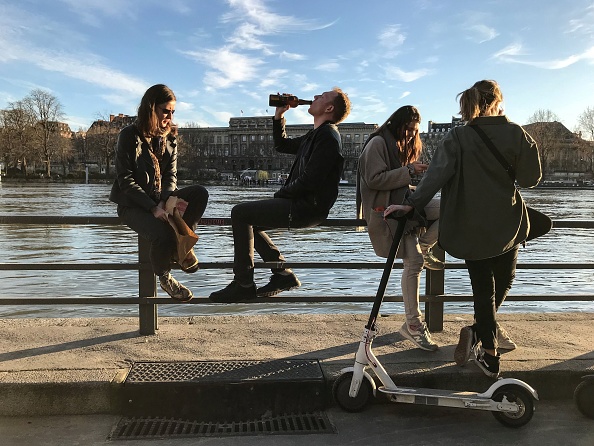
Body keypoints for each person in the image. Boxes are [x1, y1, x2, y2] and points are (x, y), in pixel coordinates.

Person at [384, 80, 541, 377]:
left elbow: (436, 178)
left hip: (470, 225)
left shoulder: (457, 137)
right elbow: (531, 178)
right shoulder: (515, 133)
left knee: (483, 290)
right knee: (505, 281)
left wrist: (412, 204)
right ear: (498, 101)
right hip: (507, 222)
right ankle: (479, 332)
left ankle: (489, 353)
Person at [209, 88, 351, 302]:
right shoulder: (316, 135)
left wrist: (281, 195)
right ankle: (282, 274)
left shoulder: (328, 136)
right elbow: (282, 145)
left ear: (329, 108)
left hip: (305, 207)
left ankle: (244, 284)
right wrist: (279, 116)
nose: (314, 98)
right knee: (249, 223)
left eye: (321, 97)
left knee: (240, 214)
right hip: (302, 203)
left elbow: (311, 179)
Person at [110, 84, 209, 302]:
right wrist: (152, 207)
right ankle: (165, 278)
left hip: (159, 198)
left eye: (173, 112)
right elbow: (125, 181)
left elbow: (171, 175)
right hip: (132, 204)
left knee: (200, 194)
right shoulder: (128, 136)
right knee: (161, 234)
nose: (170, 117)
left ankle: (181, 244)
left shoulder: (170, 137)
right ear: (151, 108)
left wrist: (167, 199)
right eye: (166, 111)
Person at [357, 105, 441, 352]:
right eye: (408, 130)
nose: (410, 135)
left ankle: (424, 247)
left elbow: (391, 182)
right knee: (413, 263)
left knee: (452, 208)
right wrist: (409, 171)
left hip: (402, 205)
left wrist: (414, 181)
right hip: (386, 213)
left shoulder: (393, 144)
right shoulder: (377, 144)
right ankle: (413, 325)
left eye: (415, 132)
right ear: (397, 124)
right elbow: (373, 179)